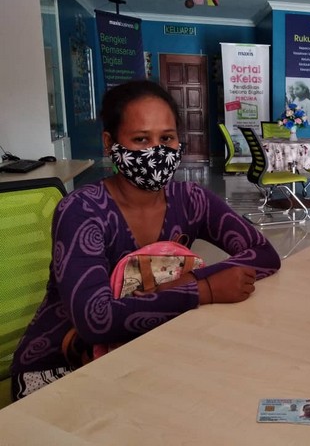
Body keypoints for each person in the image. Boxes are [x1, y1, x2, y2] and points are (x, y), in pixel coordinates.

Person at [10, 80, 281, 400]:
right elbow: (95, 320)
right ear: (110, 143)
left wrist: (187, 281)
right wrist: (204, 290)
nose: (157, 152)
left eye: (166, 138)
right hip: (61, 367)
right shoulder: (81, 211)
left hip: (145, 352)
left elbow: (263, 253)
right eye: (141, 139)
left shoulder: (192, 200)